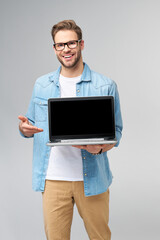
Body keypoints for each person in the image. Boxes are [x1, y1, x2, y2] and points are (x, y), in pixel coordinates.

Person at [18, 20, 123, 240]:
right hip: (53, 179)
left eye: (71, 43)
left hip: (93, 179)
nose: (66, 49)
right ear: (55, 48)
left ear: (81, 44)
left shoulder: (105, 85)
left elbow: (116, 131)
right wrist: (24, 129)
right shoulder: (42, 84)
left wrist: (100, 149)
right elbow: (29, 123)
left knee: (100, 237)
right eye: (60, 45)